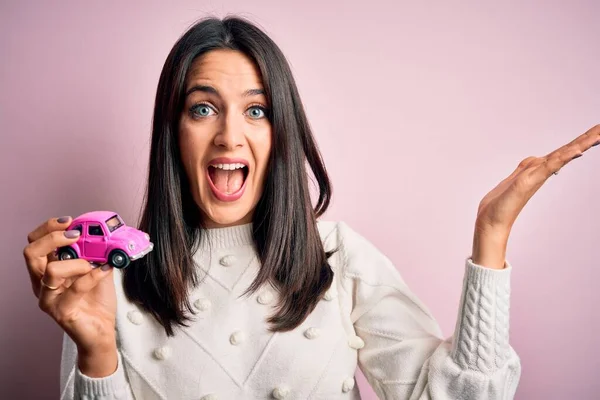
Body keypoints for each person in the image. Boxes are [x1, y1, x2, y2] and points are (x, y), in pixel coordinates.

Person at [22, 15, 599, 400]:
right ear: (172, 133)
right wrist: (97, 352)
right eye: (202, 109)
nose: (229, 136)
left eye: (257, 110)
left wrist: (490, 236)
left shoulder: (338, 255)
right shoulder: (108, 282)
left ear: (282, 133)